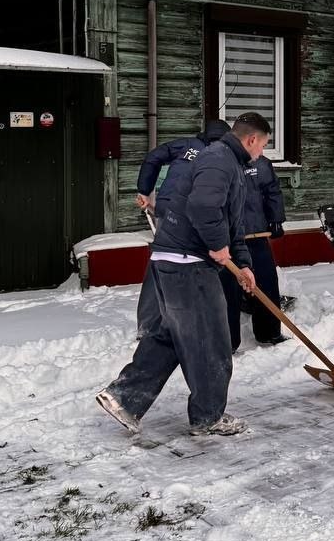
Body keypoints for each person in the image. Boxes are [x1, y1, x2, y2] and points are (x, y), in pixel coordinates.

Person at [96, 113, 270, 437]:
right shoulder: (220, 160)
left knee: (174, 335)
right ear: (252, 140)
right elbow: (204, 207)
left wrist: (243, 264)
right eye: (263, 146)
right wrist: (217, 246)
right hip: (188, 263)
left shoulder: (222, 160)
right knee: (212, 340)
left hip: (171, 258)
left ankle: (124, 398)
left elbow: (232, 223)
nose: (262, 154)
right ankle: (208, 417)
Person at [134, 119, 232, 337]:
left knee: (161, 261)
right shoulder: (221, 154)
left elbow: (153, 157)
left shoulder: (187, 145)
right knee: (209, 259)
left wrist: (144, 189)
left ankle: (148, 324)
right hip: (193, 211)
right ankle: (207, 317)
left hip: (167, 207)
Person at [220, 152, 288, 349]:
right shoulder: (217, 163)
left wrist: (276, 219)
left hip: (255, 234)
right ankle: (227, 341)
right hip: (227, 240)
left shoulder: (261, 163)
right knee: (227, 291)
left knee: (266, 283)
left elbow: (272, 191)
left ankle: (269, 332)